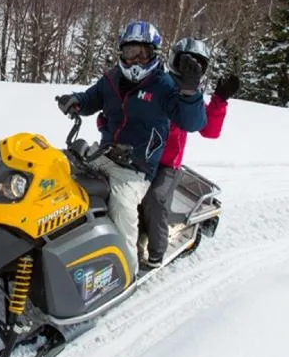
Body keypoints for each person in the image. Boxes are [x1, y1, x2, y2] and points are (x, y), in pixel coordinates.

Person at [55, 21, 207, 277]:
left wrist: (191, 93)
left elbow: (193, 122)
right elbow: (91, 98)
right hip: (103, 154)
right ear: (121, 53)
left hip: (136, 169)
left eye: (143, 54)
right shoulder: (112, 80)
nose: (136, 60)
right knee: (63, 174)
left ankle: (127, 270)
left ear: (154, 54)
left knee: (122, 207)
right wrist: (75, 101)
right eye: (130, 52)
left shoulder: (164, 86)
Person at [138, 39, 240, 268]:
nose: (190, 69)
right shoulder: (157, 83)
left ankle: (155, 253)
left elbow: (208, 130)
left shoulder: (191, 96)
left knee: (155, 199)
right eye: (186, 62)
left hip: (166, 165)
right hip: (139, 155)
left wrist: (219, 100)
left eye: (198, 65)